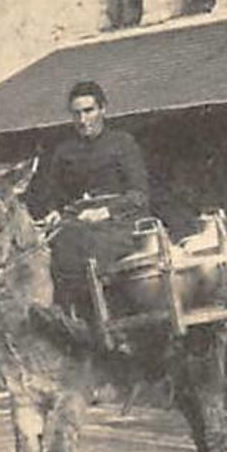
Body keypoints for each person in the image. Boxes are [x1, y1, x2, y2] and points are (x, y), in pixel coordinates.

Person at [24, 80, 150, 330]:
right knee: (43, 249)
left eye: (89, 110)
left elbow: (139, 195)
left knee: (88, 247)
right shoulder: (64, 152)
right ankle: (64, 318)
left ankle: (109, 319)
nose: (83, 120)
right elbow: (55, 195)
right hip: (77, 222)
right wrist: (53, 212)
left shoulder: (123, 144)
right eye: (76, 113)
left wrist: (105, 212)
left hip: (120, 223)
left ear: (103, 109)